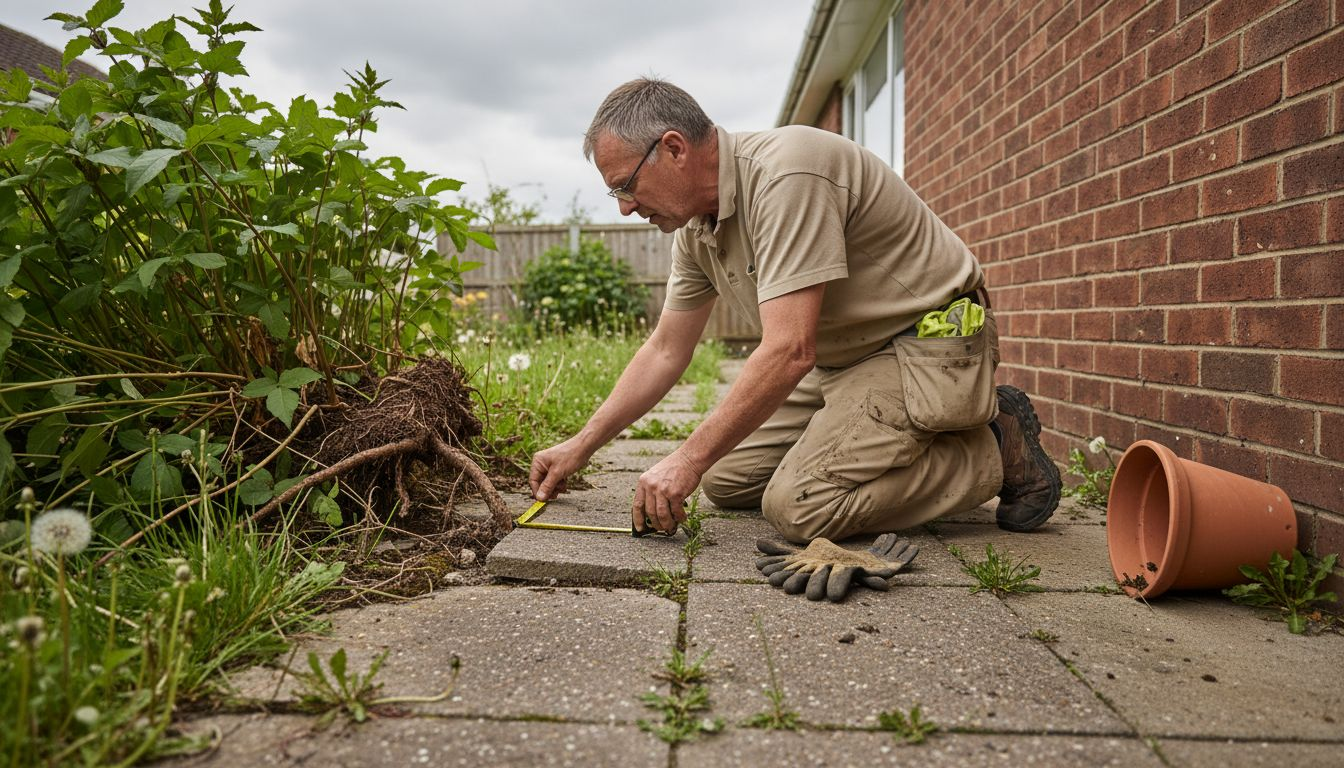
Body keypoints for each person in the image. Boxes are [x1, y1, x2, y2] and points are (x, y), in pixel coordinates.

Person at [528, 77, 1060, 541]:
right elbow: (666, 349)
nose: (624, 206)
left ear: (673, 148)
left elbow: (788, 351)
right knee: (728, 480)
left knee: (798, 506)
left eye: (625, 185)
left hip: (920, 344)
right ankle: (887, 442)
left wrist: (684, 459)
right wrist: (582, 446)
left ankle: (994, 445)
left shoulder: (788, 175)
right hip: (842, 358)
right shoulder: (695, 228)